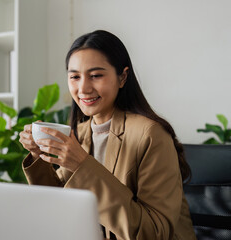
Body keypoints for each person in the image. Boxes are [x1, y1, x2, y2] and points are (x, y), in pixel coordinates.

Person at [19, 30, 196, 240]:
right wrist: (38, 156)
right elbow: (58, 206)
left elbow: (154, 233)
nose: (83, 88)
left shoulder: (150, 136)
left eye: (95, 76)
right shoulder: (80, 134)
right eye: (75, 77)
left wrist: (82, 165)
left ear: (122, 77)